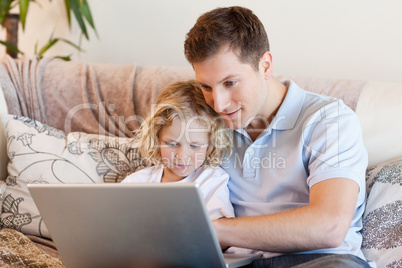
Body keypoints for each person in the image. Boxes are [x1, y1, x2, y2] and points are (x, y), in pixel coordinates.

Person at [184, 6, 371, 268]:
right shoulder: (205, 126)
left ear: (266, 65)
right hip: (236, 263)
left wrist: (217, 230)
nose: (218, 104)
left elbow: (329, 225)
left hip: (321, 261)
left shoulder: (329, 120)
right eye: (206, 86)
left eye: (230, 83)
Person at [121, 80, 234, 221]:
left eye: (194, 146)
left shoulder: (212, 181)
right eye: (172, 144)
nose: (182, 156)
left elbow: (222, 236)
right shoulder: (136, 182)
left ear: (210, 145)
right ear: (157, 139)